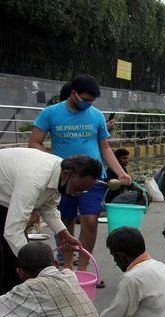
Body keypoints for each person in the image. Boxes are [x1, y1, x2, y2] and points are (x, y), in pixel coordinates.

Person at [29, 75, 131, 280]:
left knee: (90, 220)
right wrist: (54, 165)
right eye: (85, 99)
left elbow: (104, 147)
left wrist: (120, 171)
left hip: (92, 177)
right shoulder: (51, 113)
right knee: (64, 222)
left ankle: (83, 269)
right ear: (73, 93)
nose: (88, 104)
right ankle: (67, 268)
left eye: (92, 101)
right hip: (64, 179)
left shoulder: (95, 116)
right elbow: (35, 142)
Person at [0, 149, 91, 293]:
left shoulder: (59, 175)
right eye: (78, 188)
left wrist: (63, 233)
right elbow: (13, 231)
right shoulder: (34, 179)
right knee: (10, 257)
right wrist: (38, 268)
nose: (77, 194)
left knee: (14, 261)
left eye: (83, 191)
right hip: (6, 194)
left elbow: (48, 208)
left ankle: (11, 301)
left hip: (4, 196)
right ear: (67, 175)